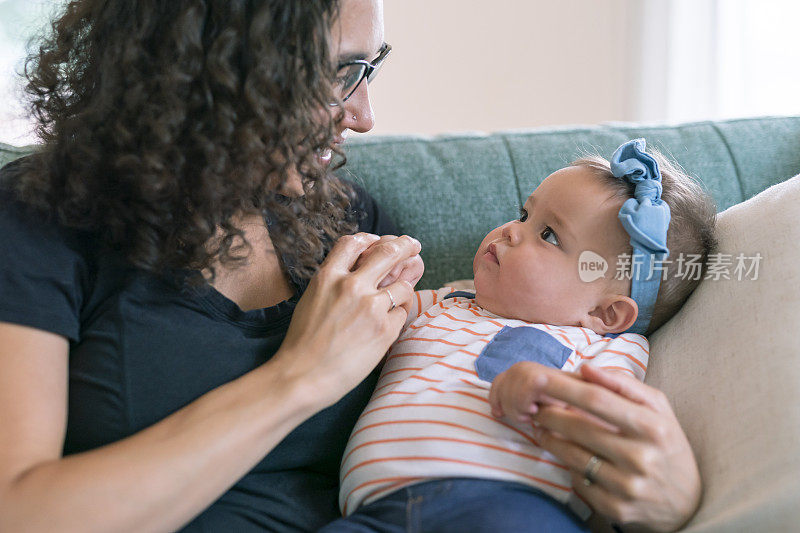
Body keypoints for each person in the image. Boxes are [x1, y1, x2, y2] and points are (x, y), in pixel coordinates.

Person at [0, 0, 701, 531]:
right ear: (216, 70)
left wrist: (666, 493)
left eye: (368, 71)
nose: (363, 113)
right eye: (340, 74)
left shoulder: (351, 228)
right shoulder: (40, 220)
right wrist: (300, 376)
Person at [323, 140, 717, 532]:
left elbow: (611, 426)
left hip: (510, 508)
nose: (511, 231)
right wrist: (384, 275)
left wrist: (549, 393)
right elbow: (370, 312)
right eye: (524, 214)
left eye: (548, 235)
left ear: (605, 313)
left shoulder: (610, 347)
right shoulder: (444, 300)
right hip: (372, 513)